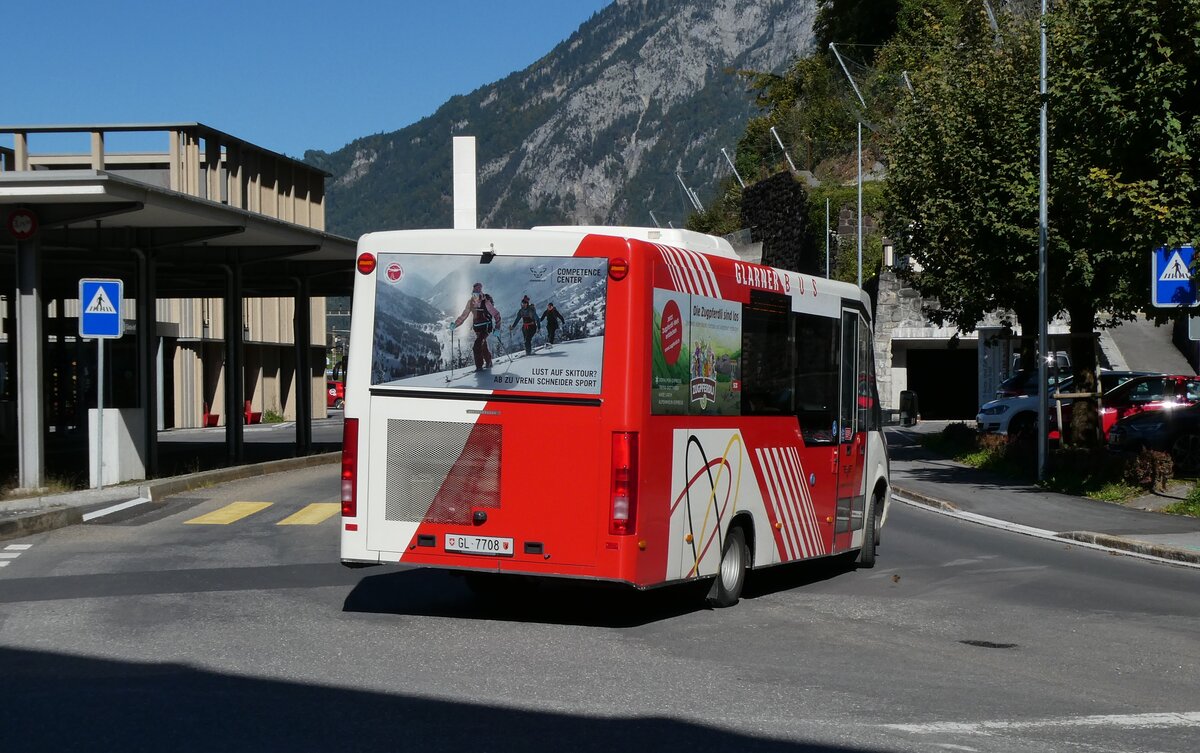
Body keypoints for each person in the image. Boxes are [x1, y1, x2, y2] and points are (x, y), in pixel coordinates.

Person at [453, 282, 501, 371]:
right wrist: (455, 324)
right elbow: (464, 315)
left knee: (477, 345)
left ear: (480, 292)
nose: (476, 295)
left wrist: (497, 327)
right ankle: (489, 361)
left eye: (478, 292)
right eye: (474, 292)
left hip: (486, 328)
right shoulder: (470, 303)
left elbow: (496, 314)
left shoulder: (485, 302)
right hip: (477, 328)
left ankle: (479, 367)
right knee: (483, 345)